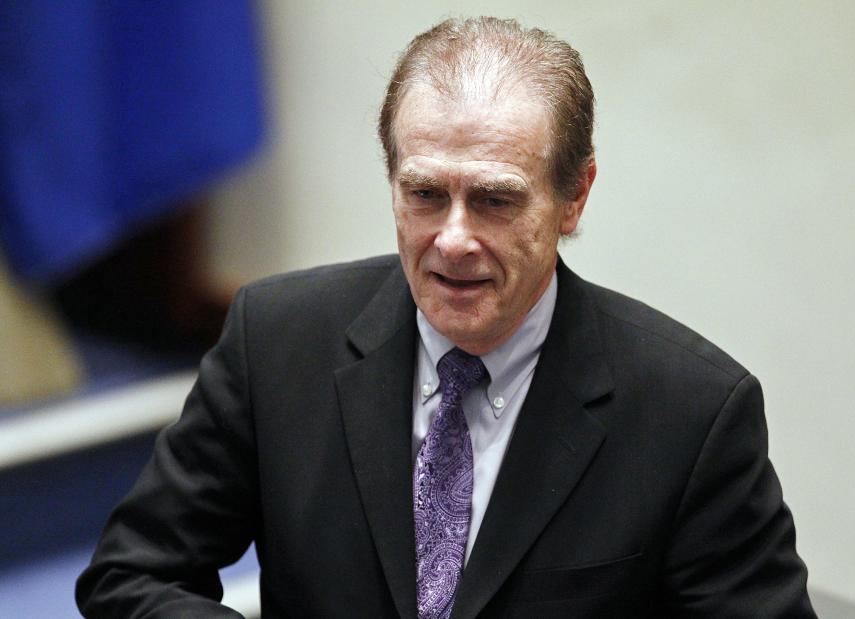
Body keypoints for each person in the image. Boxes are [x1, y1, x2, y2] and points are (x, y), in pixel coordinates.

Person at [77, 17, 816, 618]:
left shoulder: (691, 412)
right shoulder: (275, 339)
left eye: (495, 200)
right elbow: (130, 577)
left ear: (575, 196)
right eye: (425, 194)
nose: (454, 238)